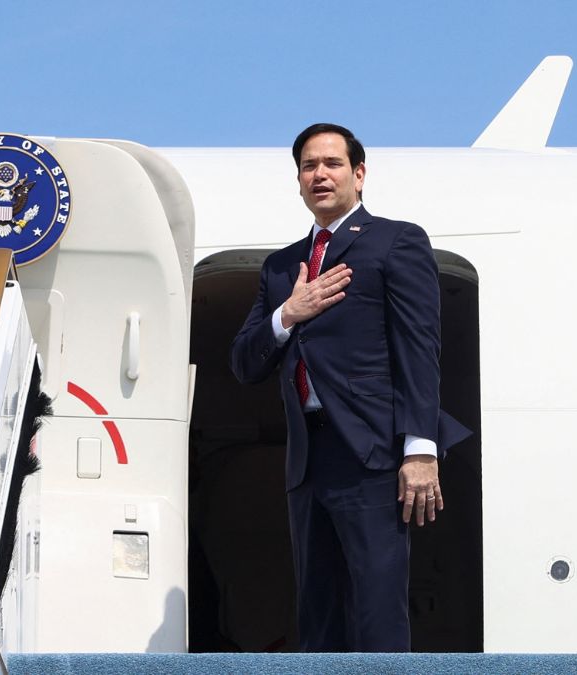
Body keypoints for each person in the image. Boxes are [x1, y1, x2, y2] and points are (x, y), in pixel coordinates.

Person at [230, 123, 470, 652]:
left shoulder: (395, 241)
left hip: (373, 452)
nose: (320, 174)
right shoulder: (280, 267)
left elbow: (418, 348)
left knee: (377, 607)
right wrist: (287, 314)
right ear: (298, 180)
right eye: (309, 166)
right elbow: (244, 363)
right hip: (307, 458)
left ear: (359, 175)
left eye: (333, 164)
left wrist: (420, 449)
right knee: (317, 611)